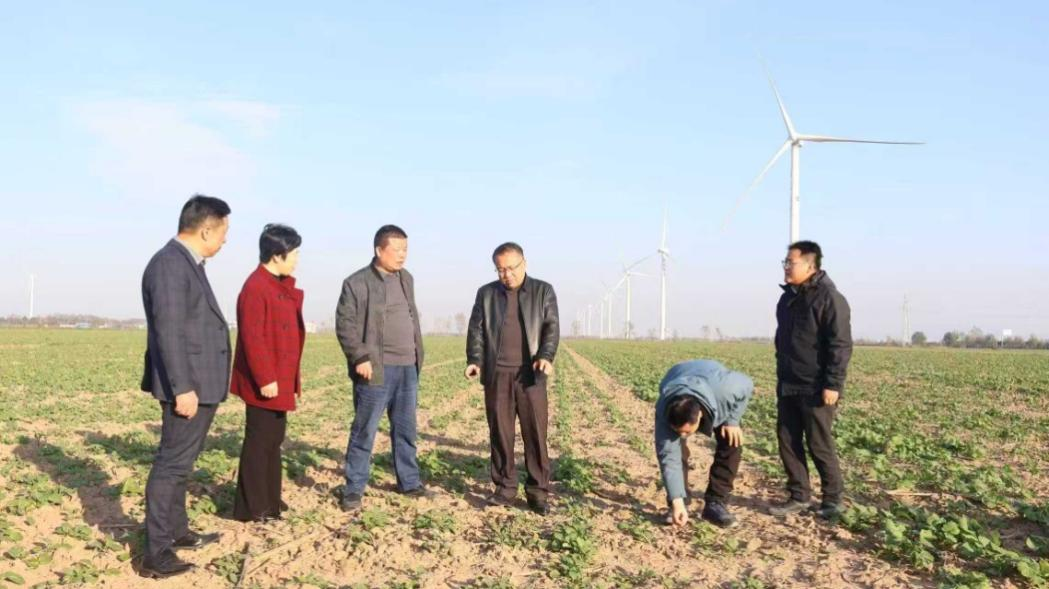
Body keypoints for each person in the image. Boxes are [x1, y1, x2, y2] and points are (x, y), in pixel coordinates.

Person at [139, 195, 231, 578]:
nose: (225, 240)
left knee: (181, 465)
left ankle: (177, 532)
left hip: (198, 382)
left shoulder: (187, 263)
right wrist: (182, 388)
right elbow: (169, 331)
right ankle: (156, 553)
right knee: (171, 465)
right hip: (188, 385)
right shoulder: (169, 265)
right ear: (206, 230)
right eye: (224, 231)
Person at [336, 225, 427, 511]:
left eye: (405, 249)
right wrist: (360, 357)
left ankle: (409, 482)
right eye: (396, 249)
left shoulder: (406, 278)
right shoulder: (356, 283)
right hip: (376, 369)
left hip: (407, 367)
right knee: (364, 431)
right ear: (379, 250)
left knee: (406, 429)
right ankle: (353, 488)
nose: (402, 255)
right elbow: (345, 325)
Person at [466, 242, 559, 515]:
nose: (506, 274)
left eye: (511, 268)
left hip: (531, 376)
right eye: (500, 270)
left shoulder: (543, 291)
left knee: (535, 435)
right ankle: (505, 488)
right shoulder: (486, 294)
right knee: (500, 434)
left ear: (524, 263)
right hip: (497, 376)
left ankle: (538, 492)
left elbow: (551, 328)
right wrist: (474, 360)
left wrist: (546, 355)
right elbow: (476, 330)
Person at [767, 240, 853, 520]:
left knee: (819, 443)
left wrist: (833, 384)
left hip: (816, 386)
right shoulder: (787, 299)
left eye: (790, 263)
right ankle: (799, 496)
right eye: (785, 262)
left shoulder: (830, 299)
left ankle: (832, 500)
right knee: (788, 441)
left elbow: (840, 345)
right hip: (788, 383)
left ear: (810, 265)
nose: (785, 267)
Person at [230, 224, 305, 523]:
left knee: (273, 441)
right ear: (277, 255)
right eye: (294, 253)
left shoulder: (275, 284)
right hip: (265, 380)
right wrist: (265, 378)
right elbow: (252, 338)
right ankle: (252, 508)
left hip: (279, 377)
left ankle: (270, 501)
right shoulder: (255, 287)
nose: (297, 259)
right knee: (259, 443)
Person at [655, 360, 753, 528]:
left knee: (732, 441)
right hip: (676, 375)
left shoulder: (727, 389)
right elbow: (668, 459)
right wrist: (677, 502)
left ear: (700, 416)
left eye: (687, 431)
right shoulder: (664, 409)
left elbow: (747, 383)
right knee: (675, 450)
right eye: (678, 431)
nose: (682, 435)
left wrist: (733, 420)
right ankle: (679, 503)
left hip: (715, 388)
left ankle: (716, 502)